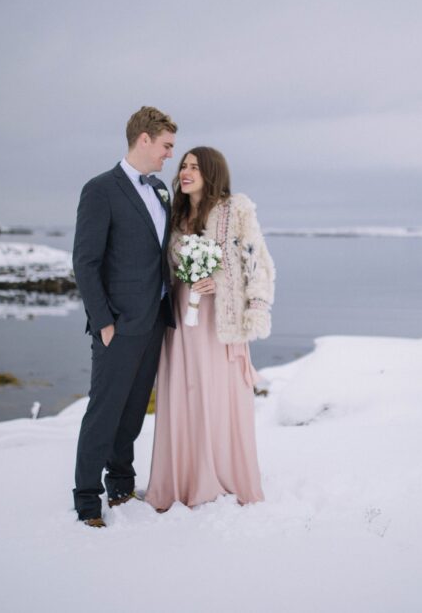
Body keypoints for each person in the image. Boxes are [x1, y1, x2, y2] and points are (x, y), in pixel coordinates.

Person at [145, 146, 275, 511]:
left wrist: (223, 286)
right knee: (184, 391)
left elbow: (258, 265)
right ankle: (181, 479)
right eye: (183, 166)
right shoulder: (175, 213)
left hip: (219, 319)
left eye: (194, 168)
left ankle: (222, 475)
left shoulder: (237, 210)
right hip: (181, 318)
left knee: (218, 393)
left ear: (211, 172)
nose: (185, 172)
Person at [71, 106, 178, 528]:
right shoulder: (100, 189)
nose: (170, 155)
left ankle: (120, 486)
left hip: (155, 321)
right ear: (144, 139)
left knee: (133, 412)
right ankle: (86, 501)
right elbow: (85, 261)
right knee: (104, 412)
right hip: (117, 324)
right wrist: (104, 322)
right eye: (167, 146)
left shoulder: (161, 192)